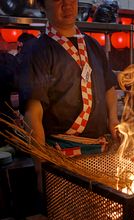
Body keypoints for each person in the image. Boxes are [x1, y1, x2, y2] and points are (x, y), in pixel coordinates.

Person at [18, 0, 119, 157]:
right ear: (42, 6)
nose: (67, 5)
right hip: (60, 154)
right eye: (58, 0)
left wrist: (113, 119)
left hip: (100, 150)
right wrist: (41, 161)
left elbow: (109, 88)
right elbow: (33, 112)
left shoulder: (93, 45)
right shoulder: (37, 51)